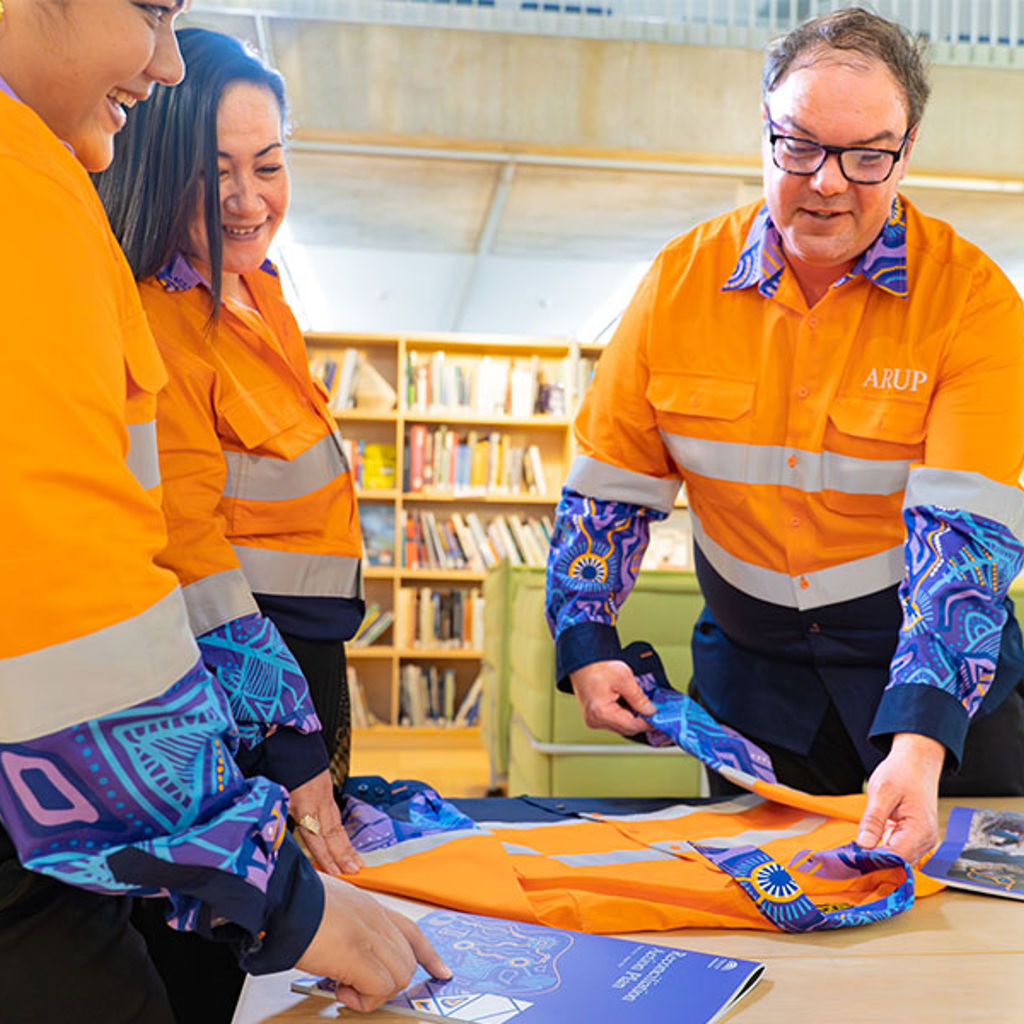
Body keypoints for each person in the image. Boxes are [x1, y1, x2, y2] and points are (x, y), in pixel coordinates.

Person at [0, 4, 447, 1023]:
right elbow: (122, 577)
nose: (161, 58)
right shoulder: (43, 209)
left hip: (243, 709)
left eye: (270, 162)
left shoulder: (260, 302)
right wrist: (271, 875)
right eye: (150, 11)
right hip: (192, 722)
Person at [546, 7, 1024, 868]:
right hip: (752, 699)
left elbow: (964, 549)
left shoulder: (976, 306)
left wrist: (918, 742)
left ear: (907, 152)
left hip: (936, 698)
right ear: (763, 132)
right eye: (798, 145)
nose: (828, 181)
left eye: (867, 155)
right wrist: (585, 639)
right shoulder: (676, 284)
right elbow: (608, 490)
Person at [97, 27, 364, 884]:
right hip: (239, 687)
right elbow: (187, 550)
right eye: (216, 172)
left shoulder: (261, 286)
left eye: (269, 164)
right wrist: (287, 744)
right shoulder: (153, 317)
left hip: (307, 665)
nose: (247, 200)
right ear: (162, 165)